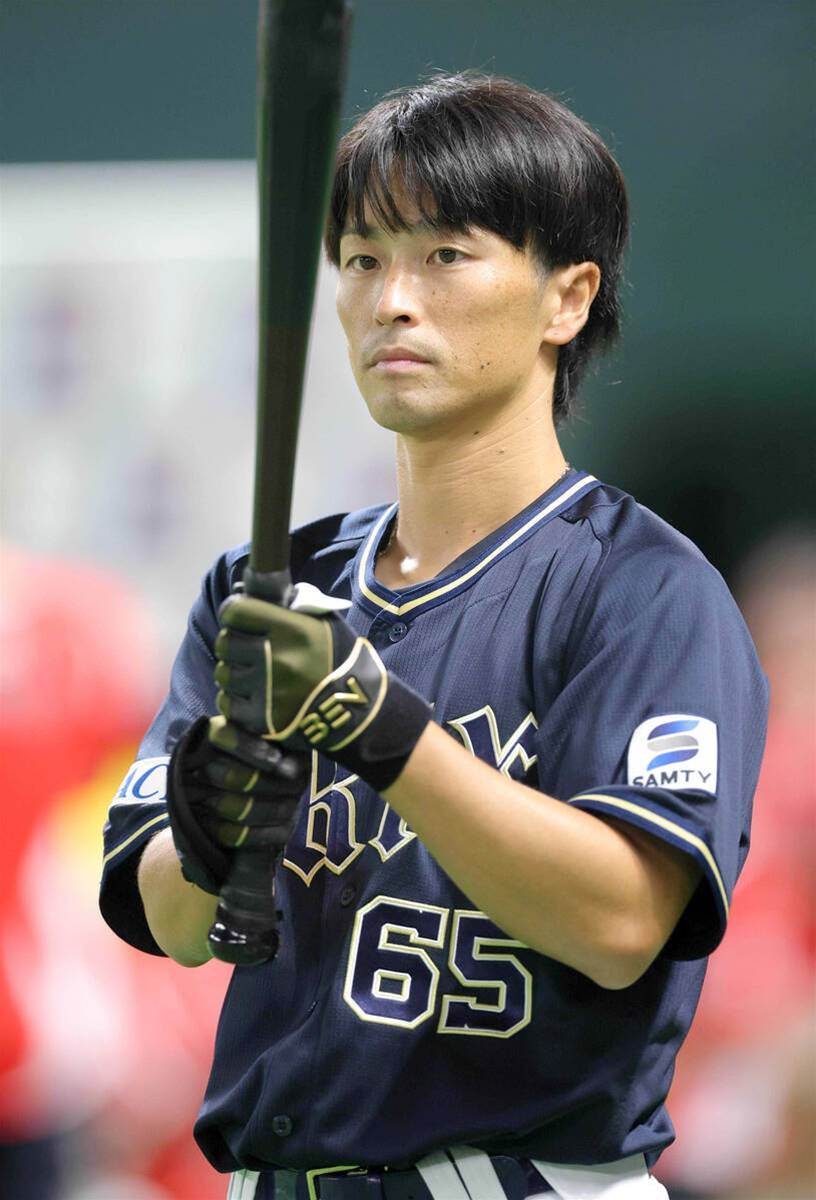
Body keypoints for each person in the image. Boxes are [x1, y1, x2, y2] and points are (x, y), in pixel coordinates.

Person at [99, 74, 769, 1200]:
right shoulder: (271, 586)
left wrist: (382, 729)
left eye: (446, 254)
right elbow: (174, 924)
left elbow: (619, 923)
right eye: (363, 259)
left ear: (568, 299)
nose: (391, 301)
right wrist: (208, 837)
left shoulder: (641, 587)